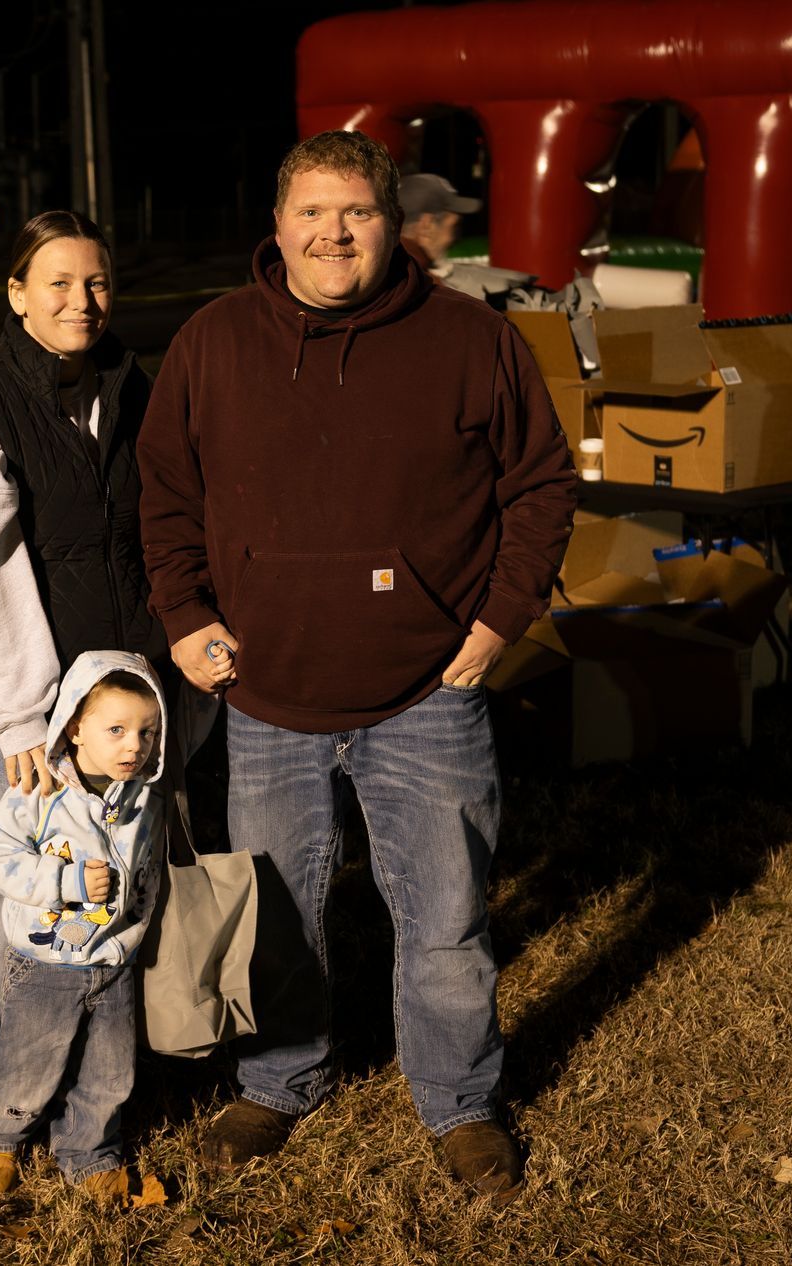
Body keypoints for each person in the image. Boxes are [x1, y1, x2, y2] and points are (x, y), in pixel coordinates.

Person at [136, 129, 579, 1203]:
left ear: (395, 225)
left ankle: (462, 1101)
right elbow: (164, 495)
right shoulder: (213, 340)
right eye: (312, 214)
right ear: (278, 225)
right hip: (270, 693)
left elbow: (541, 486)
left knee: (443, 918)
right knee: (279, 912)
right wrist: (186, 616)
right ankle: (282, 1078)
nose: (334, 234)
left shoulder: (471, 340)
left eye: (358, 214)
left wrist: (496, 624)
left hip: (429, 689)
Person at [0, 211, 159, 1139]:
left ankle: (91, 1081)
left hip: (105, 710)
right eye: (55, 283)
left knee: (104, 884)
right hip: (4, 707)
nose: (79, 302)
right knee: (3, 890)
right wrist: (18, 718)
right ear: (15, 295)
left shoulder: (130, 389)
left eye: (95, 282)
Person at [0, 651, 166, 1201]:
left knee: (108, 1069)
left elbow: (148, 869)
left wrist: (137, 928)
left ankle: (89, 1150)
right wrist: (66, 882)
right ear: (76, 729)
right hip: (45, 961)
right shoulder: (41, 792)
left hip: (113, 959)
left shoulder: (145, 798)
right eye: (117, 729)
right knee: (30, 1057)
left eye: (147, 732)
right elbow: (1, 856)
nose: (134, 745)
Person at [398, 171, 481, 272]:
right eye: (453, 227)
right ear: (426, 227)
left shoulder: (385, 268)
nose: (454, 239)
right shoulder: (420, 283)